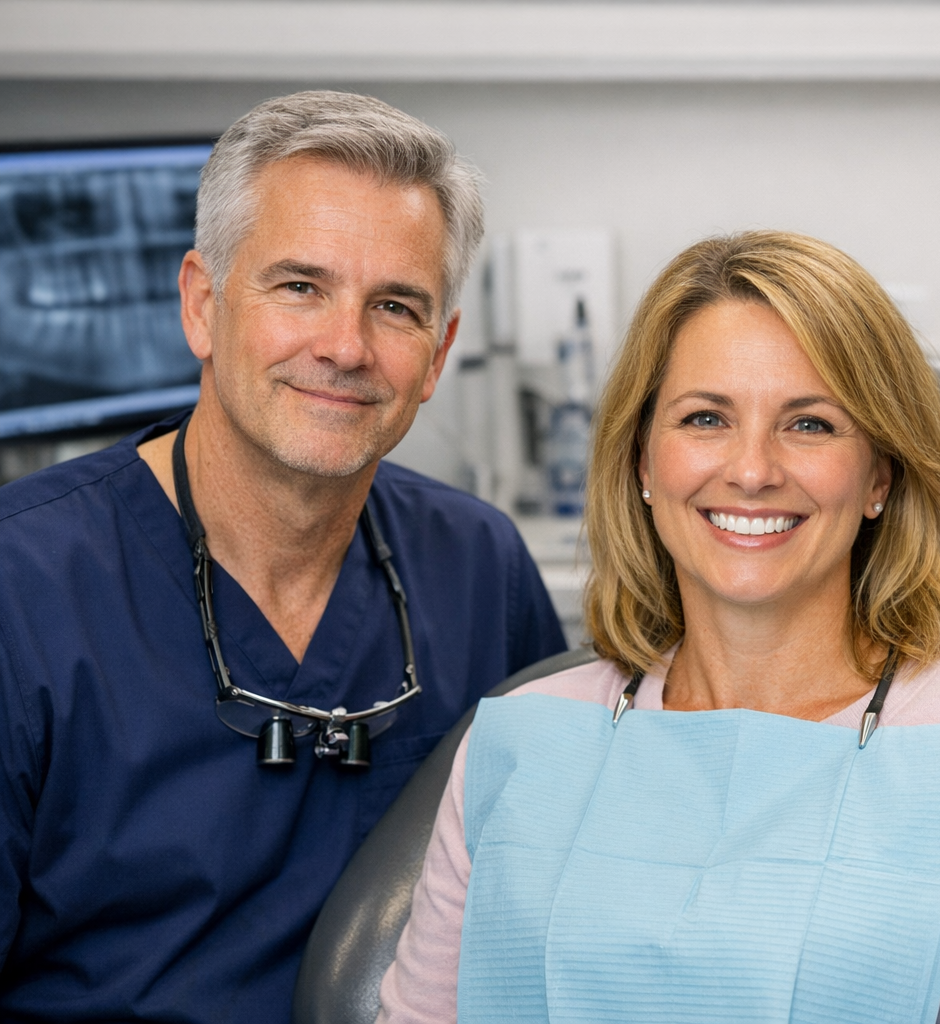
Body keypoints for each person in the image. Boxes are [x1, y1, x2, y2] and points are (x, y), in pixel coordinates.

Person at [376, 231, 940, 1024]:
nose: (754, 469)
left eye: (810, 425)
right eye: (705, 418)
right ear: (642, 466)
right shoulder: (522, 737)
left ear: (879, 476)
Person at [0, 91, 567, 1021]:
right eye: (300, 286)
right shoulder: (24, 585)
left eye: (395, 306)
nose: (345, 346)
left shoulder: (477, 565)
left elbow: (529, 905)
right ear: (202, 305)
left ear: (437, 354)